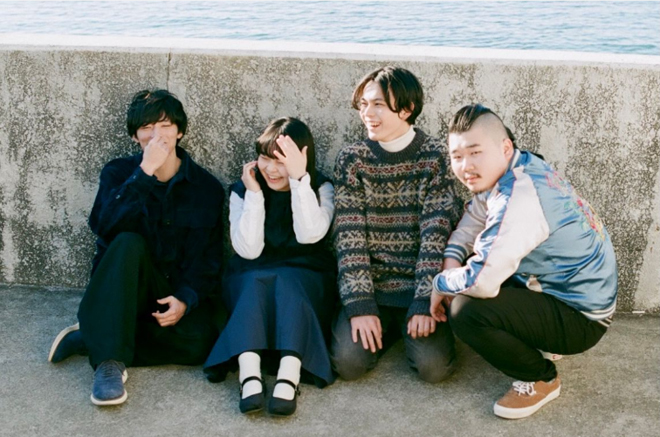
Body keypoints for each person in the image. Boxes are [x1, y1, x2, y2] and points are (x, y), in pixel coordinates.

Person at [431, 104, 617, 419]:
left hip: (582, 318)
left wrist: (439, 283)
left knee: (465, 310)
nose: (466, 166)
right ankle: (542, 337)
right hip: (573, 291)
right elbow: (473, 220)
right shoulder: (521, 165)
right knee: (480, 260)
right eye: (457, 156)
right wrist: (451, 260)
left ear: (505, 147)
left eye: (475, 152)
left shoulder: (518, 196)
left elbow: (481, 283)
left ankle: (540, 378)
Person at [48, 89, 225, 406]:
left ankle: (94, 336)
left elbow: (207, 259)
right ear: (135, 136)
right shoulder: (117, 173)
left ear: (180, 131)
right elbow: (105, 227)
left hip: (166, 294)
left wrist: (185, 299)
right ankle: (109, 363)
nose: (157, 135)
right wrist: (144, 173)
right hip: (121, 290)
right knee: (128, 241)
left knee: (202, 343)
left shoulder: (206, 188)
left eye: (165, 126)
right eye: (147, 127)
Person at [331, 66, 462, 383]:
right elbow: (348, 238)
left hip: (419, 286)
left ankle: (402, 327)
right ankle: (385, 327)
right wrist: (360, 306)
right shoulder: (352, 159)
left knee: (434, 369)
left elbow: (436, 236)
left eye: (378, 105)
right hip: (372, 288)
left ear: (406, 109)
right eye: (364, 104)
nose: (367, 113)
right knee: (347, 364)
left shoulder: (435, 158)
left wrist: (424, 301)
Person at [203, 117, 336, 416]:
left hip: (306, 272)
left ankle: (289, 375)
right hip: (251, 271)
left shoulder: (320, 187)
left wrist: (299, 180)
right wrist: (254, 194)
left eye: (281, 161)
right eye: (265, 158)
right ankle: (249, 375)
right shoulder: (242, 190)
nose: (272, 170)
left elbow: (310, 234)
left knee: (288, 283)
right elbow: (248, 250)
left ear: (301, 157)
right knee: (254, 282)